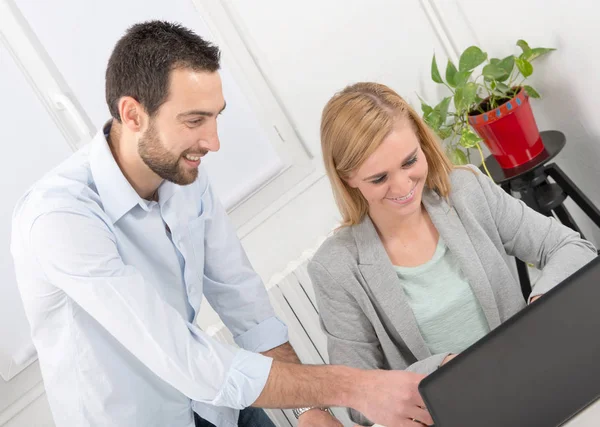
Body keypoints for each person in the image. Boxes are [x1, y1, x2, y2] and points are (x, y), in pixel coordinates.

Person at [10, 22, 433, 427]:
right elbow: (182, 357)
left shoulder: (184, 177)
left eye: (216, 117)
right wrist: (356, 387)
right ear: (133, 114)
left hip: (213, 405)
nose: (213, 142)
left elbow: (245, 305)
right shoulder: (59, 219)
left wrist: (311, 406)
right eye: (194, 121)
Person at [308, 82, 598, 425]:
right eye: (379, 177)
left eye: (410, 161)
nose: (403, 187)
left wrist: (544, 305)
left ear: (421, 141)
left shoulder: (466, 191)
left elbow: (570, 246)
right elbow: (358, 397)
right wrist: (442, 371)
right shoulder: (336, 267)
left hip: (537, 387)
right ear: (348, 177)